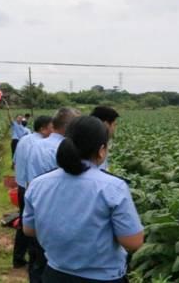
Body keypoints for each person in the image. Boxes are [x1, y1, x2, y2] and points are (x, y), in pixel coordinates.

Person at [23, 116, 144, 282]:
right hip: (102, 278)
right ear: (101, 150)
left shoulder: (38, 184)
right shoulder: (113, 187)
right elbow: (133, 242)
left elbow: (29, 230)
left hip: (55, 273)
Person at [24, 107, 81, 282]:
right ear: (69, 127)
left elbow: (30, 181)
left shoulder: (36, 145)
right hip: (62, 219)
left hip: (38, 213)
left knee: (37, 262)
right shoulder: (69, 150)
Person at [12, 115, 54, 268]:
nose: (53, 131)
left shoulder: (24, 139)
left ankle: (18, 258)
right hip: (32, 187)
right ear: (43, 128)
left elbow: (15, 161)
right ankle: (33, 260)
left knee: (24, 222)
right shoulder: (41, 145)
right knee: (34, 225)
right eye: (51, 127)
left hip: (22, 186)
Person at [90, 106, 119, 171]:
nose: (114, 128)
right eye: (114, 124)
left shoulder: (84, 138)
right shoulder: (97, 144)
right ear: (106, 124)